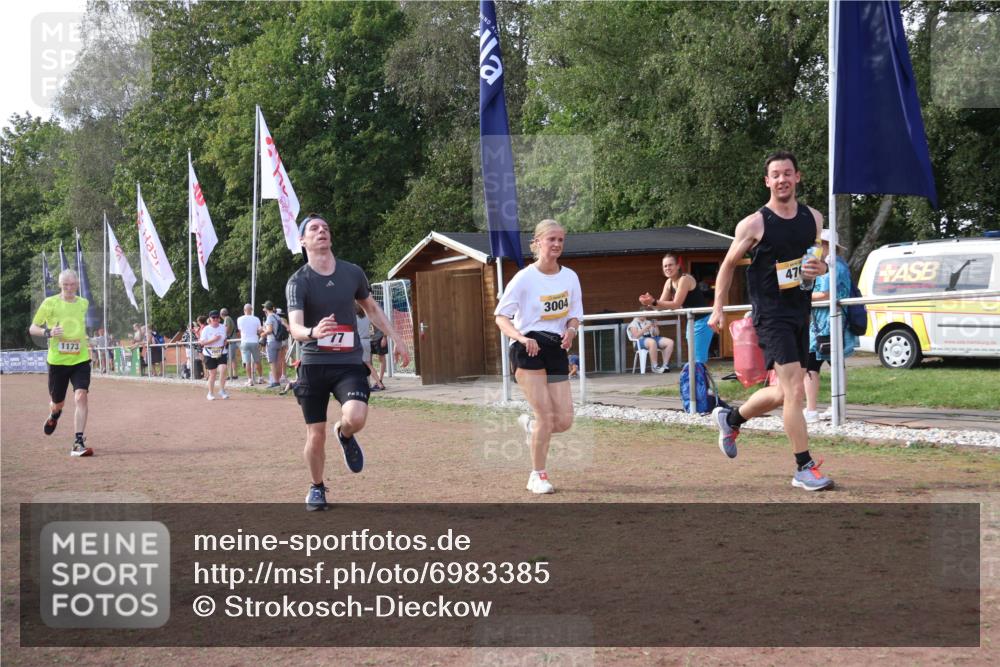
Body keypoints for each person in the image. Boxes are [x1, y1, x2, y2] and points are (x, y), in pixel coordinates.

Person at [707, 150, 832, 491]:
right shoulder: (755, 223)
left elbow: (818, 258)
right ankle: (803, 467)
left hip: (799, 312)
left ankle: (730, 419)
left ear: (798, 177)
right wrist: (718, 308)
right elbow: (728, 265)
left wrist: (820, 268)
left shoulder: (814, 218)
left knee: (782, 394)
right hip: (770, 314)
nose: (782, 179)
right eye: (775, 175)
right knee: (795, 389)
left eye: (787, 173)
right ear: (767, 181)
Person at [287, 213, 411, 512]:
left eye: (326, 228)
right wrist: (314, 332)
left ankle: (344, 433)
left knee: (356, 417)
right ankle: (317, 487)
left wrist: (396, 337)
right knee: (314, 434)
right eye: (314, 229)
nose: (322, 232)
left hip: (348, 362)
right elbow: (295, 326)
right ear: (302, 241)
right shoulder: (298, 282)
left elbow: (371, 307)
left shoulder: (351, 272)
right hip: (314, 365)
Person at [495, 219, 583, 495]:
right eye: (551, 239)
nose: (556, 244)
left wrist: (570, 331)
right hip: (528, 349)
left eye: (560, 240)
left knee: (564, 421)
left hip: (556, 349)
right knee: (546, 416)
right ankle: (537, 475)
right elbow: (501, 317)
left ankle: (532, 428)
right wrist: (520, 337)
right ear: (537, 243)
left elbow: (574, 316)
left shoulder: (570, 277)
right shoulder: (524, 278)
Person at [28, 269, 94, 456]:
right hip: (57, 361)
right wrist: (49, 332)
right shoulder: (50, 303)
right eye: (65, 285)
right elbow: (33, 328)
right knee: (58, 403)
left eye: (72, 284)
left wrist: (85, 339)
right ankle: (55, 414)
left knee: (81, 396)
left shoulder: (83, 303)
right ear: (60, 285)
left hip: (80, 359)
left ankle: (78, 441)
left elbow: (79, 327)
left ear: (77, 285)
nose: (69, 288)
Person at [804, 229, 859, 423]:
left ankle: (814, 410)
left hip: (829, 322)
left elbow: (827, 294)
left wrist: (802, 297)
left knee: (815, 364)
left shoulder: (835, 267)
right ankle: (833, 406)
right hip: (825, 323)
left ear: (829, 247)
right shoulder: (833, 266)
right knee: (831, 363)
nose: (816, 248)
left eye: (820, 244)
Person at [639, 252, 712, 364]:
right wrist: (649, 302)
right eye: (665, 266)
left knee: (698, 360)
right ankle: (699, 380)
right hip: (691, 321)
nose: (668, 268)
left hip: (702, 320)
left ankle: (698, 381)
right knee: (694, 359)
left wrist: (654, 301)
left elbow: (676, 304)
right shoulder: (668, 282)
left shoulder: (685, 279)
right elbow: (659, 307)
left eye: (670, 265)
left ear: (678, 266)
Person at [627, 308, 673, 372]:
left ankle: (665, 365)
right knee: (652, 342)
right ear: (639, 313)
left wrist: (655, 326)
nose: (645, 315)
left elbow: (656, 334)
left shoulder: (648, 322)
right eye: (644, 314)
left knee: (670, 342)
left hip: (651, 339)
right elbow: (635, 336)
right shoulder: (633, 323)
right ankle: (655, 366)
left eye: (646, 314)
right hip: (639, 342)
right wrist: (645, 328)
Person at [198, 310, 230, 400]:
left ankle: (222, 390)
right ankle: (210, 393)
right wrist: (213, 340)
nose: (215, 319)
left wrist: (225, 341)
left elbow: (225, 338)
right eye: (213, 318)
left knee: (223, 369)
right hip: (209, 353)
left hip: (221, 352)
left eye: (217, 317)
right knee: (213, 373)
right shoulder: (206, 329)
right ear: (210, 319)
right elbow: (201, 343)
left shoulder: (223, 327)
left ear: (219, 318)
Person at [262, 300, 287, 389]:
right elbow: (284, 323)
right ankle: (278, 380)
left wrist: (263, 333)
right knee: (279, 361)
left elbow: (269, 330)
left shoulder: (269, 317)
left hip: (272, 341)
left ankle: (275, 382)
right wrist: (289, 328)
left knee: (272, 362)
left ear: (266, 309)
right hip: (279, 341)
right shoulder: (277, 316)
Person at [236, 303, 263, 386]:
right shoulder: (256, 319)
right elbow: (259, 330)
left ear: (244, 310)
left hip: (244, 341)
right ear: (251, 310)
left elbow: (240, 331)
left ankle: (249, 379)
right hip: (254, 341)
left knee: (247, 362)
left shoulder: (239, 319)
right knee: (257, 361)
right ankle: (260, 378)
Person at [221, 308, 239, 380]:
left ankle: (230, 374)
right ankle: (234, 374)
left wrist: (223, 336)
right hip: (232, 340)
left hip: (231, 340)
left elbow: (227, 329)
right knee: (233, 358)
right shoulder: (229, 318)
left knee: (229, 358)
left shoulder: (227, 319)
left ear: (221, 314)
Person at [370, 326, 388, 391]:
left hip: (379, 337)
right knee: (368, 361)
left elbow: (384, 324)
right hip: (368, 339)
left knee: (381, 358)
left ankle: (380, 380)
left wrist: (384, 337)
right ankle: (377, 381)